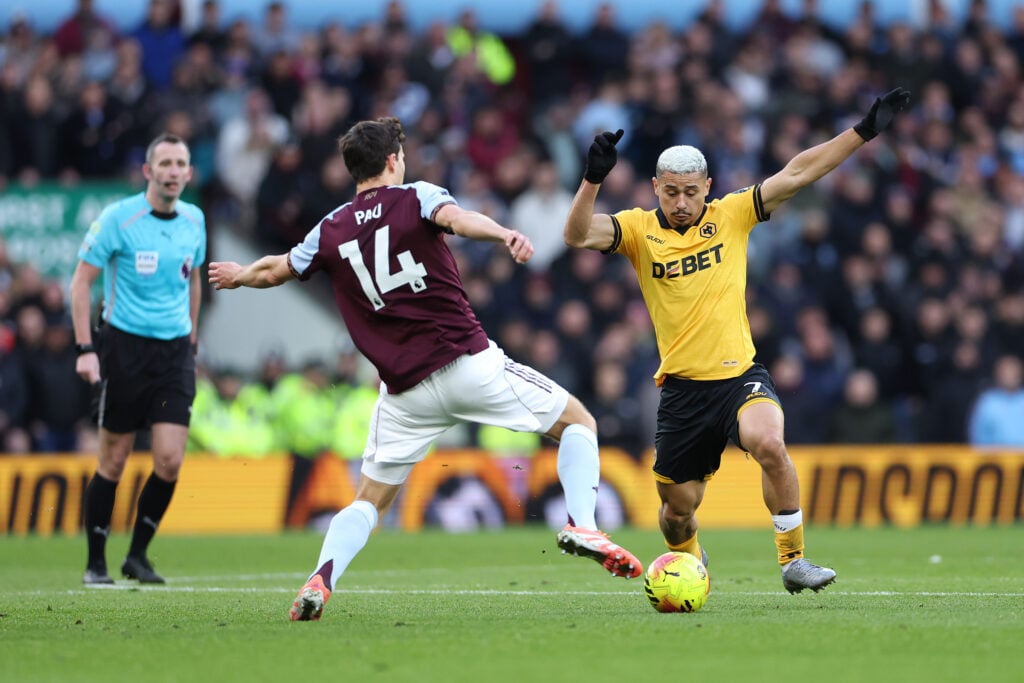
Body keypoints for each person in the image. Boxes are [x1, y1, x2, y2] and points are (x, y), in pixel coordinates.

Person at [208, 116, 641, 621]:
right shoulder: (416, 196)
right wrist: (503, 233)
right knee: (579, 422)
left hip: (403, 392)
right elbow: (458, 219)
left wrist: (239, 276)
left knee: (369, 501)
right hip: (465, 364)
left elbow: (276, 268)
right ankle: (582, 523)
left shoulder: (330, 229)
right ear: (393, 160)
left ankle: (322, 577)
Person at [563, 88, 912, 593]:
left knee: (770, 442)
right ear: (654, 187)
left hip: (739, 376)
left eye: (691, 191)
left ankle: (794, 561)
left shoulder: (732, 214)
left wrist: (863, 131)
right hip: (683, 392)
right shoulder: (637, 231)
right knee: (675, 515)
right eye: (670, 192)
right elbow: (575, 236)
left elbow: (799, 172)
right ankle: (691, 561)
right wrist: (592, 179)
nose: (681, 203)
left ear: (708, 185)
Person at [70, 133, 206, 585]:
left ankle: (138, 556)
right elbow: (80, 283)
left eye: (180, 163)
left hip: (174, 354)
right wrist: (86, 349)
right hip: (123, 348)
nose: (172, 171)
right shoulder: (118, 219)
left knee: (169, 460)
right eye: (164, 163)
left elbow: (193, 281)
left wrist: (192, 338)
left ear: (189, 172)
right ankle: (95, 563)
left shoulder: (195, 219)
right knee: (114, 458)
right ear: (148, 171)